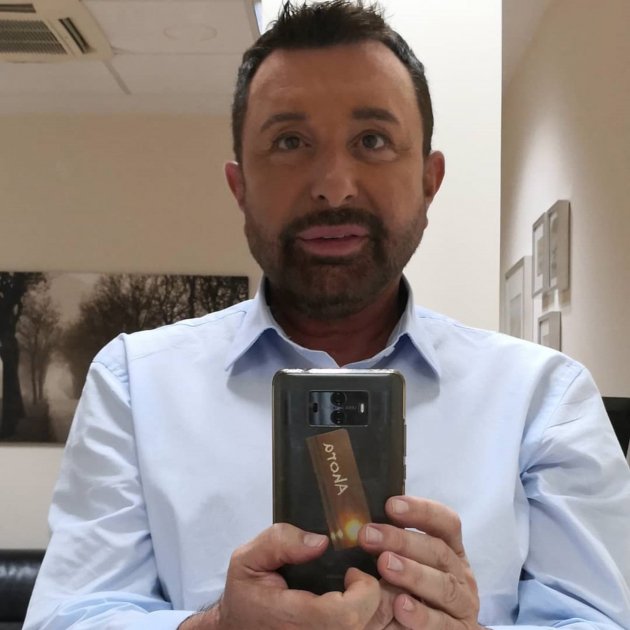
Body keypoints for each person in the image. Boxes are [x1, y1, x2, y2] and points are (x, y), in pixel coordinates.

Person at [24, 2, 630, 629]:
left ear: (430, 180)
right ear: (240, 186)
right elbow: (67, 618)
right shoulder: (134, 384)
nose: (334, 185)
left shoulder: (544, 401)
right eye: (289, 142)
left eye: (372, 140)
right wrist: (216, 626)